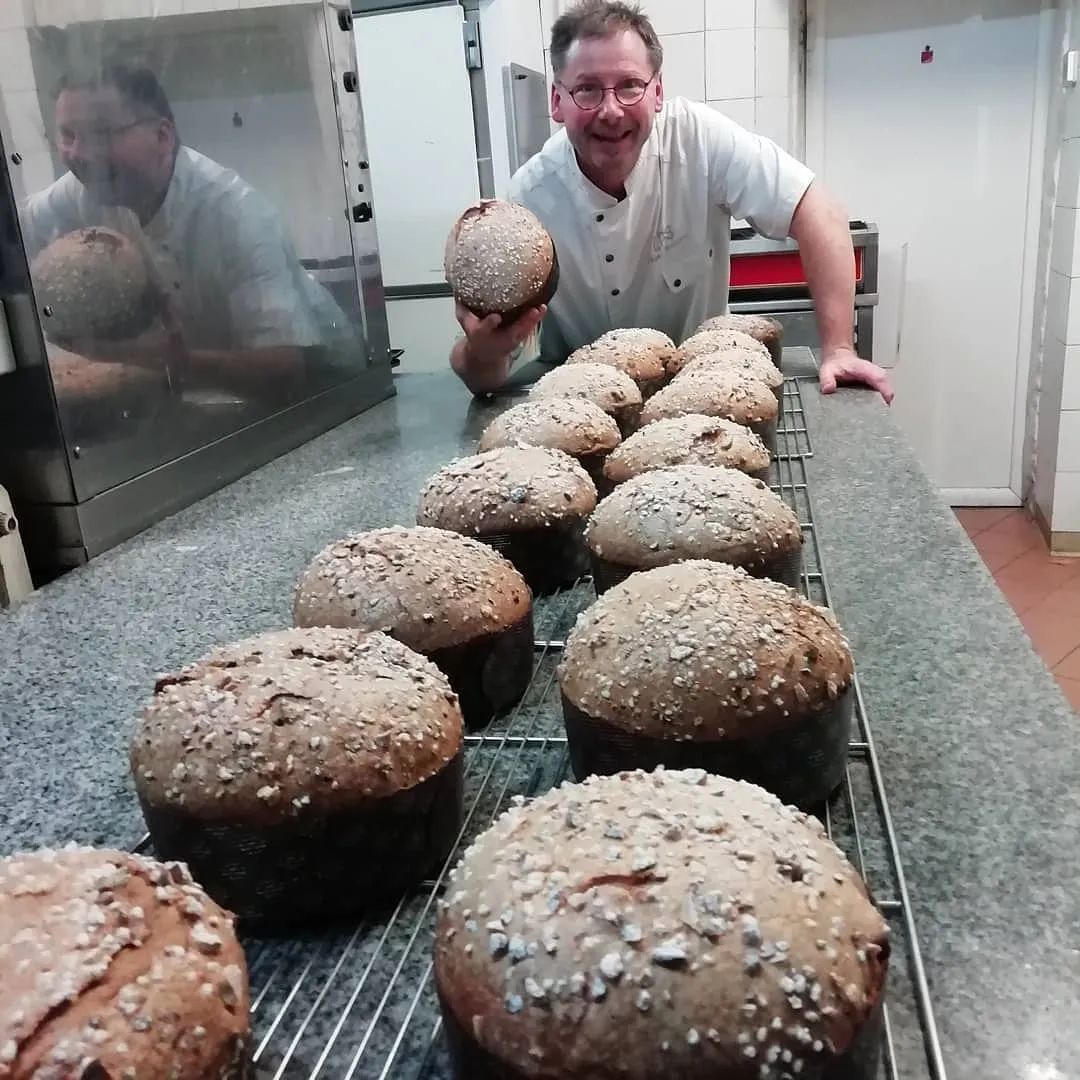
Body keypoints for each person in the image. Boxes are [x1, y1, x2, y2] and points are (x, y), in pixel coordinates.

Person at [450, 0, 893, 404]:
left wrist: (839, 348)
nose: (611, 110)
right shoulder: (529, 199)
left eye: (630, 86)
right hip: (580, 404)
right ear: (557, 101)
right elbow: (480, 376)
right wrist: (483, 352)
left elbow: (816, 209)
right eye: (587, 89)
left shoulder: (698, 140)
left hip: (706, 388)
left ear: (657, 92)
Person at [19, 62, 351, 395]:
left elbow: (285, 370)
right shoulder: (83, 188)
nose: (78, 153)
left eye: (101, 133)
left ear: (162, 136)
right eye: (68, 135)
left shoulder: (237, 215)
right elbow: (15, 235)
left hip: (332, 389)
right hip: (215, 394)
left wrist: (142, 356)